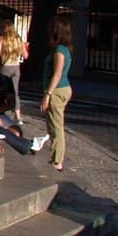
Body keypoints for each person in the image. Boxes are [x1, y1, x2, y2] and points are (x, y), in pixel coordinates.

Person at [0, 48, 49, 155]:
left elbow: (11, 103)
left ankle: (27, 146)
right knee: (0, 126)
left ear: (0, 66)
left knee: (17, 132)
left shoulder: (6, 81)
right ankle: (28, 145)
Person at [39, 15, 73, 172]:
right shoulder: (63, 49)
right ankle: (55, 157)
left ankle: (57, 160)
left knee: (56, 126)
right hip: (61, 89)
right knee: (53, 124)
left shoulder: (59, 50)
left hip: (57, 89)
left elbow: (57, 74)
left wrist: (48, 93)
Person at [0, 21, 28, 123]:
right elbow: (25, 55)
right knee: (15, 90)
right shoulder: (18, 40)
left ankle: (1, 109)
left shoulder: (2, 39)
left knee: (2, 89)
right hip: (16, 67)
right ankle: (17, 114)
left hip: (5, 67)